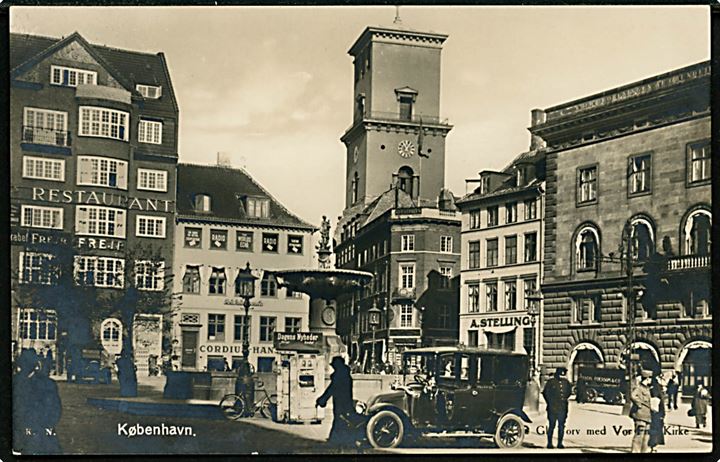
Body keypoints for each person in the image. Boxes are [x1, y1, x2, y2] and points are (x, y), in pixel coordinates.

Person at [13, 349, 62, 454]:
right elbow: (55, 409)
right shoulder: (47, 384)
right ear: (35, 365)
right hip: (40, 434)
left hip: (22, 433)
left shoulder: (14, 382)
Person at [316, 356, 355, 448]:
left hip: (340, 402)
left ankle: (338, 439)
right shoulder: (345, 374)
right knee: (342, 419)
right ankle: (339, 438)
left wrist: (322, 400)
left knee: (340, 419)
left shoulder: (339, 376)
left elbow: (331, 389)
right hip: (346, 401)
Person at [542, 367, 572, 449]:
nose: (561, 376)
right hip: (553, 408)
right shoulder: (551, 382)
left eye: (563, 374)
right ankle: (549, 443)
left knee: (561, 426)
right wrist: (550, 402)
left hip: (562, 408)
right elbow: (545, 393)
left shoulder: (566, 382)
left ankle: (560, 443)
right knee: (552, 425)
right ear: (557, 374)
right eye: (560, 374)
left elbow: (569, 392)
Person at [630, 370, 653, 453]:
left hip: (647, 415)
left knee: (646, 435)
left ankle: (644, 451)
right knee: (639, 435)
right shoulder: (639, 387)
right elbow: (632, 396)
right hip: (640, 415)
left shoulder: (647, 388)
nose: (651, 380)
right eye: (650, 378)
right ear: (646, 379)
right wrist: (639, 404)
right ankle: (635, 451)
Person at [648, 374, 666, 452]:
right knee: (657, 430)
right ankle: (654, 446)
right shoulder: (658, 387)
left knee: (652, 430)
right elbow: (661, 402)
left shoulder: (651, 388)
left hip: (652, 412)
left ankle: (652, 445)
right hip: (657, 412)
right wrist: (663, 414)